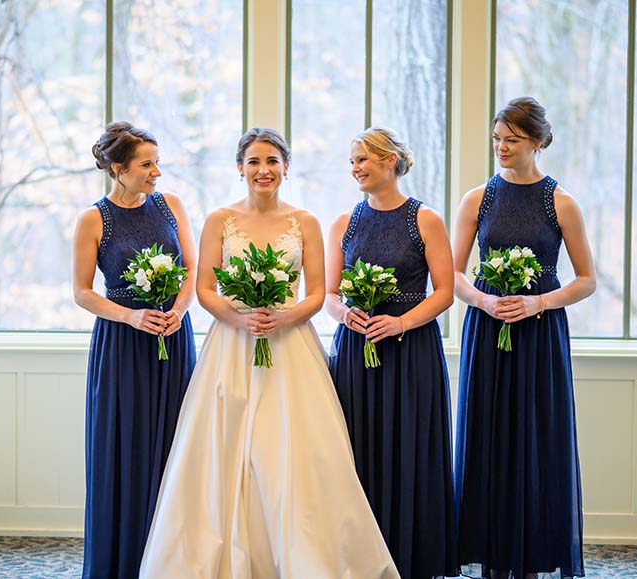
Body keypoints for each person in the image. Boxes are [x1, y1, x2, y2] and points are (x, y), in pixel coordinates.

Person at [139, 127, 399, 578]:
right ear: (240, 168)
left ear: (286, 167)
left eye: (273, 161)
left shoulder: (305, 221)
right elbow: (205, 289)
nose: (264, 170)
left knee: (295, 451)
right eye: (254, 162)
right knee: (223, 450)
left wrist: (286, 317)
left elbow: (317, 292)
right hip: (231, 344)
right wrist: (239, 318)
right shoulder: (220, 219)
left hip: (290, 343)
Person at [452, 97, 596, 578]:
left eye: (511, 140)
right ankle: (491, 554)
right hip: (487, 329)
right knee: (487, 434)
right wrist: (484, 301)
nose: (501, 147)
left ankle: (532, 556)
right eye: (497, 139)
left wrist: (539, 303)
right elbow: (452, 276)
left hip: (539, 333)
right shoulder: (477, 199)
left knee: (536, 437)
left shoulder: (562, 202)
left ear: (537, 142)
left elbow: (586, 280)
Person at [325, 126, 459, 578]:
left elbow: (444, 293)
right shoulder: (343, 223)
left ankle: (412, 557)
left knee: (410, 448)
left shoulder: (426, 219)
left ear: (390, 161)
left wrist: (401, 322)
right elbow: (329, 295)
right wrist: (345, 314)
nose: (355, 169)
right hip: (356, 350)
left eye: (362, 159)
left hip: (411, 350)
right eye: (352, 161)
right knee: (357, 446)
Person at [72, 122, 197, 578]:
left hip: (173, 337)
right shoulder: (94, 219)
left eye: (157, 163)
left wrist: (178, 311)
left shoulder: (171, 205)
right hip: (122, 344)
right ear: (118, 168)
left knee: (176, 443)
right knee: (123, 448)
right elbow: (82, 293)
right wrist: (131, 317)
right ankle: (121, 562)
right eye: (147, 165)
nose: (156, 172)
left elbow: (191, 270)